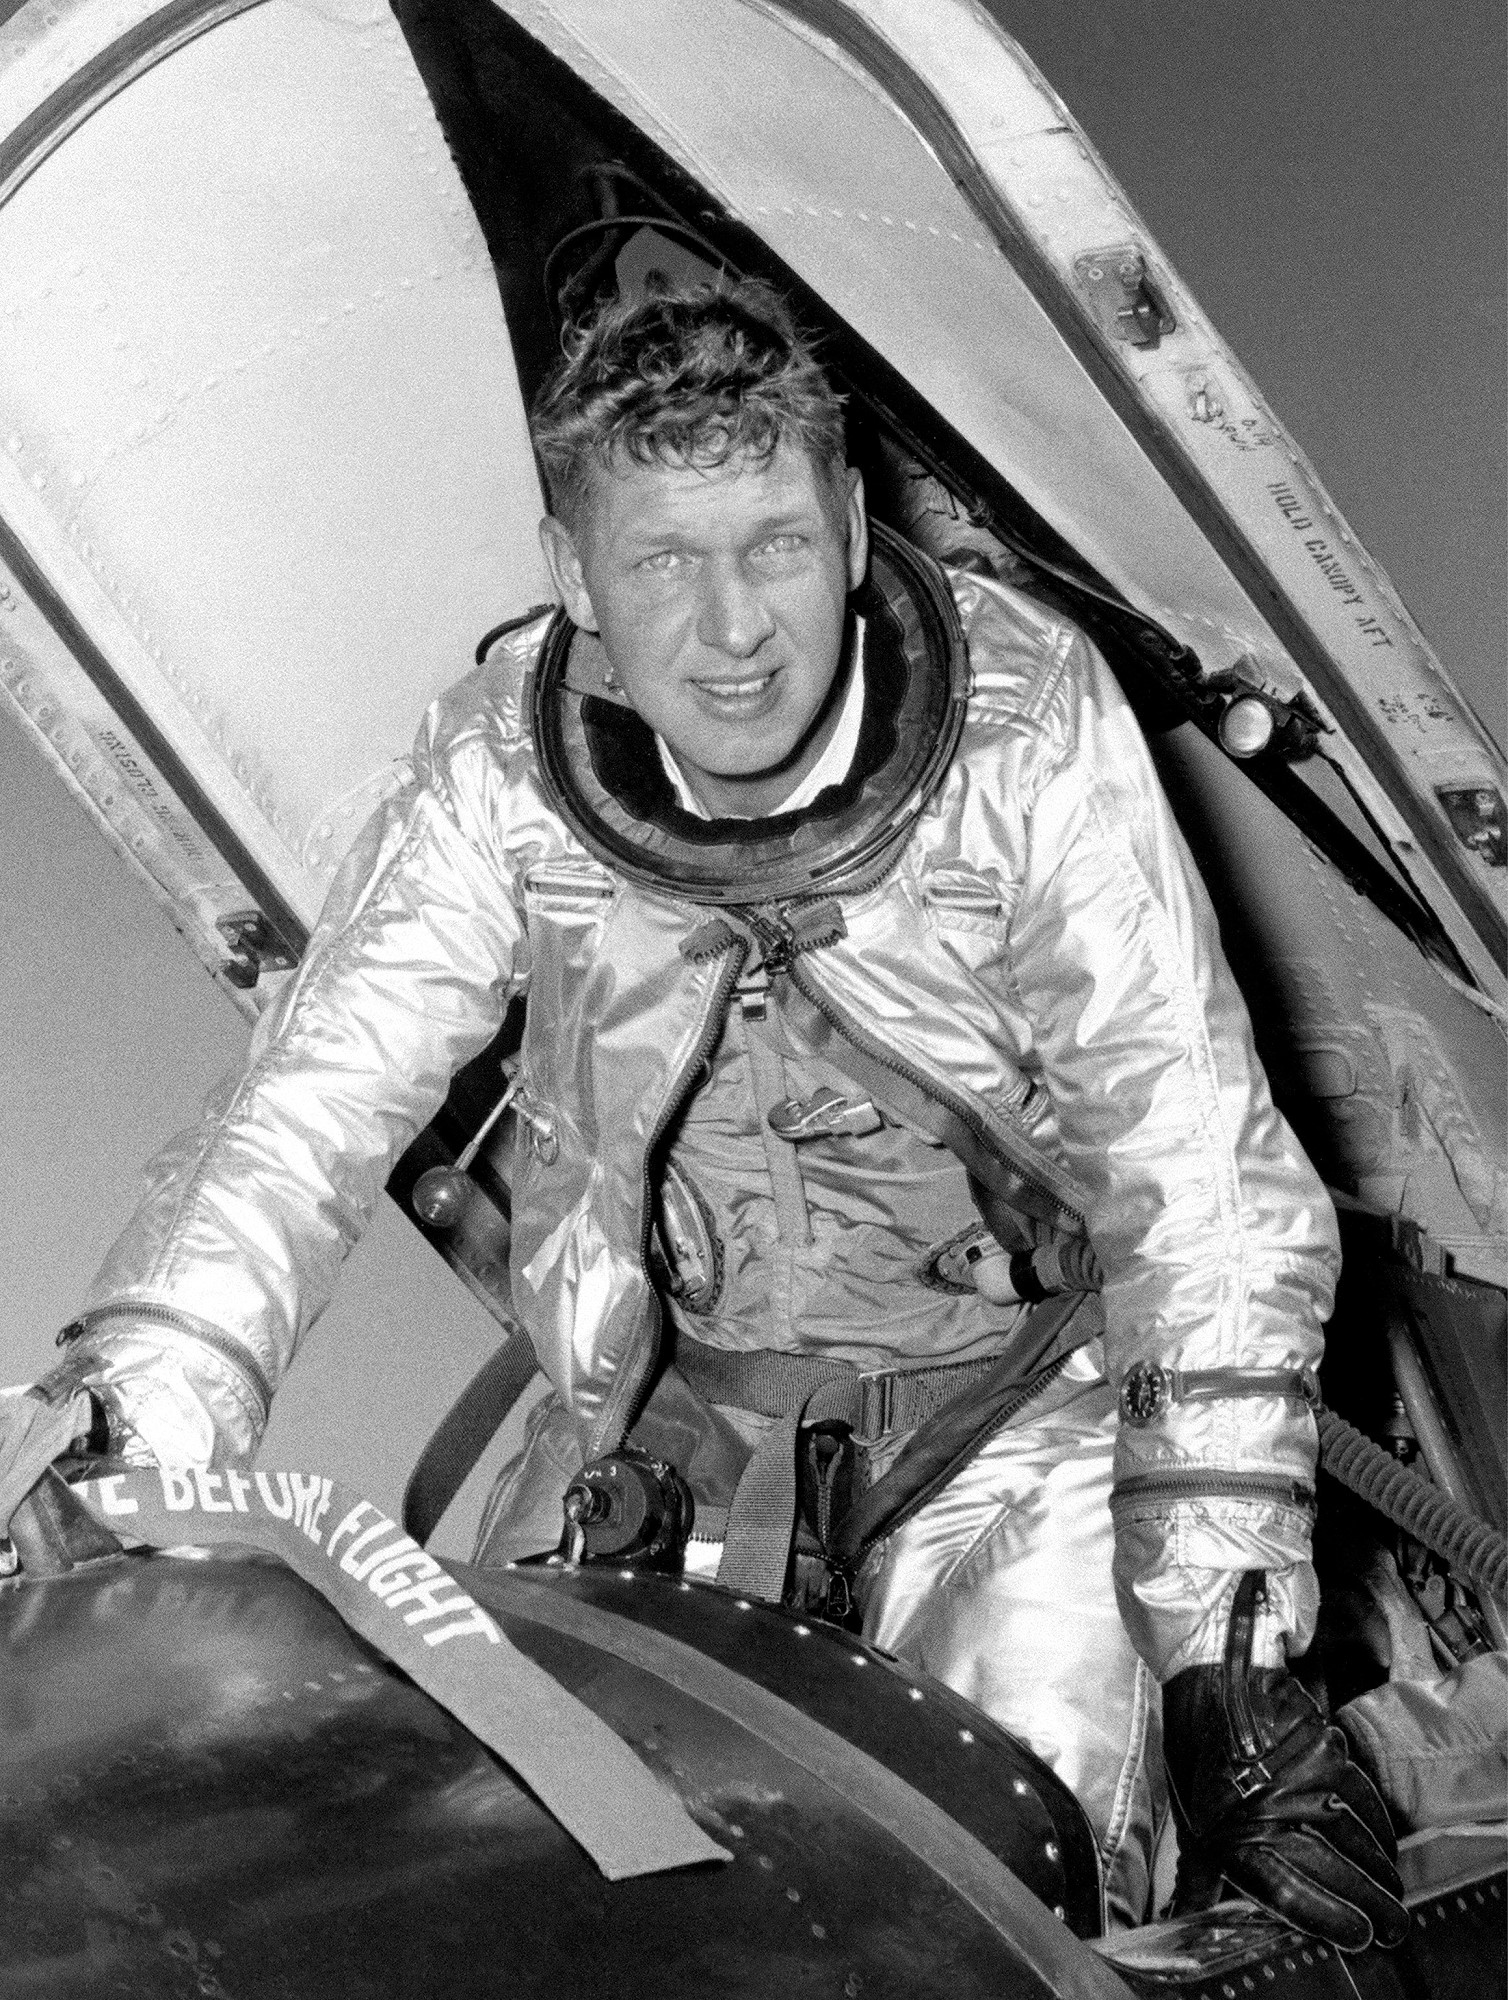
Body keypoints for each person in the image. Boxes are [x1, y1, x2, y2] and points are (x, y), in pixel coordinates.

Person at [19, 277, 1405, 1942]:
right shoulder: (499, 772)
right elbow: (299, 1119)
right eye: (665, 561)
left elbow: (1196, 1167)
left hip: (1019, 1434)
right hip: (656, 1443)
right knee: (525, 1912)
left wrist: (1224, 1652)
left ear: (854, 526)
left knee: (1011, 1896)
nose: (734, 630)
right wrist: (120, 1456)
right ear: (572, 573)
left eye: (776, 546)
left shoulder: (1022, 728)